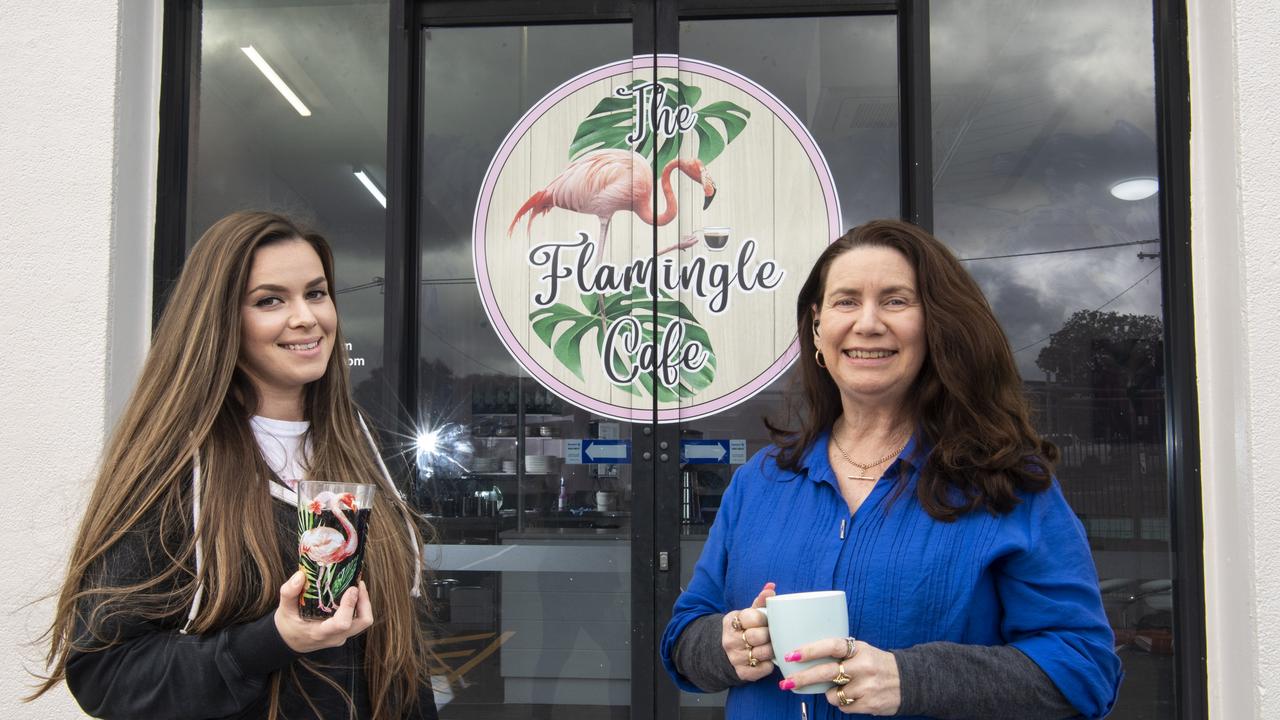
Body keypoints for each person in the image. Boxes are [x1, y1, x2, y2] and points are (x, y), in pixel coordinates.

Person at [661, 219, 1122, 719]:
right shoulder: (760, 481)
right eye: (846, 301)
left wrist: (912, 679)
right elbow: (686, 636)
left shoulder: (1006, 481)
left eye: (896, 301)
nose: (868, 323)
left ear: (935, 326)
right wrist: (725, 644)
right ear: (817, 328)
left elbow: (1085, 668)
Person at [31, 212, 438, 719]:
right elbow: (105, 674)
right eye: (271, 300)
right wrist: (272, 639)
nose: (307, 317)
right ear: (222, 319)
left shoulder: (362, 446)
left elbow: (399, 653)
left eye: (315, 293)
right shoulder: (177, 465)